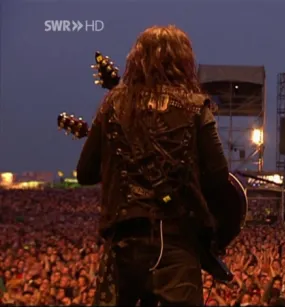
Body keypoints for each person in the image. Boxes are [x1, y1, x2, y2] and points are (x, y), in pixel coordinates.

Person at [76, 25, 229, 306]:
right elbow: (219, 178)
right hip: (177, 243)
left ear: (136, 60)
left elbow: (85, 173)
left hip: (125, 245)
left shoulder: (112, 105)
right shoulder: (196, 107)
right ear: (185, 62)